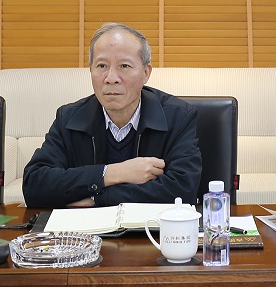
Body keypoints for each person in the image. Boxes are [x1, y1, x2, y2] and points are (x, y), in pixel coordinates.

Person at [22, 23, 201, 208]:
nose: (111, 78)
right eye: (102, 66)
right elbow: (35, 185)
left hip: (150, 226)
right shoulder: (68, 118)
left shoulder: (178, 117)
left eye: (124, 66)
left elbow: (183, 190)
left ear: (146, 73)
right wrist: (114, 172)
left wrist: (96, 199)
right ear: (90, 70)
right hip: (86, 227)